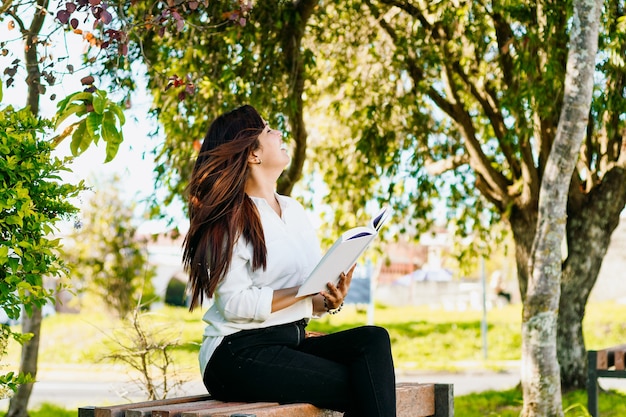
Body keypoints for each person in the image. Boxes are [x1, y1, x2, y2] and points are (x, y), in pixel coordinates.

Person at [182, 105, 396, 417]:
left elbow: (305, 295)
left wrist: (328, 301)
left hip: (289, 342)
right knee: (364, 386)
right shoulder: (228, 220)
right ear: (253, 155)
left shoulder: (293, 210)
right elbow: (235, 305)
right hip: (235, 354)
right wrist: (303, 292)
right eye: (268, 131)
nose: (279, 134)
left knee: (374, 340)